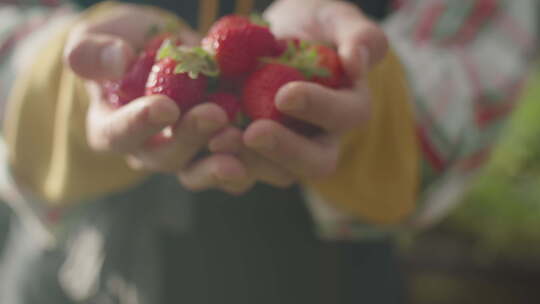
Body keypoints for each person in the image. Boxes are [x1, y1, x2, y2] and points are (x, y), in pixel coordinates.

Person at [0, 0, 537, 303]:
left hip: (328, 281)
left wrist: (364, 97)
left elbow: (480, 55)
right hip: (71, 274)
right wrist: (69, 86)